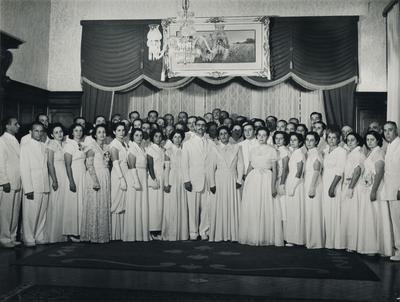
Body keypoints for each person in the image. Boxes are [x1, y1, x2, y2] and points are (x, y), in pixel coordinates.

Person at [239, 127, 283, 246]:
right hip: (253, 179)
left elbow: (275, 170)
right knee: (254, 206)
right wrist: (245, 180)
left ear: (268, 136)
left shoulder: (272, 150)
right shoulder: (252, 150)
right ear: (256, 136)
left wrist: (273, 186)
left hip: (266, 179)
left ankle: (265, 235)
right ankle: (253, 234)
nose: (261, 137)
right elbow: (250, 166)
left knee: (265, 205)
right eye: (259, 135)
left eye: (264, 135)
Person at [361, 130, 393, 256]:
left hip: (376, 187)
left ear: (378, 140)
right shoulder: (371, 152)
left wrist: (374, 190)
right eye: (368, 139)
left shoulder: (379, 152)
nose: (369, 142)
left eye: (372, 139)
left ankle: (377, 247)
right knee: (371, 216)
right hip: (369, 186)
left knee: (376, 215)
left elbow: (379, 173)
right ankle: (371, 246)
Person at [209, 126, 244, 242]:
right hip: (219, 179)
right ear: (218, 136)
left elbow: (240, 165)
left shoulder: (237, 148)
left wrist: (239, 180)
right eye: (221, 134)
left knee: (233, 205)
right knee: (220, 205)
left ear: (228, 135)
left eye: (225, 133)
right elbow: (211, 168)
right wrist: (212, 184)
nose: (223, 136)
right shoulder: (214, 148)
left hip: (233, 179)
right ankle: (220, 234)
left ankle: (233, 235)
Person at [182, 117, 214, 240]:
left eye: (203, 125)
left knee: (206, 207)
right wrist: (186, 180)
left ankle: (204, 231)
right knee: (193, 207)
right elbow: (184, 163)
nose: (200, 127)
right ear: (194, 127)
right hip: (193, 180)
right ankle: (193, 232)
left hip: (207, 180)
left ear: (205, 127)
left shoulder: (210, 142)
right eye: (198, 125)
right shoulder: (188, 143)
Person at [20, 122, 50, 246]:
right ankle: (28, 237)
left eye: (41, 131)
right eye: (36, 131)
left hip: (44, 184)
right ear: (31, 132)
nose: (39, 133)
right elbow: (24, 168)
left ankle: (39, 235)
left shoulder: (43, 146)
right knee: (30, 214)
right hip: (32, 185)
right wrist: (28, 188)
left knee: (41, 214)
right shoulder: (25, 147)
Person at [81, 124, 111, 243]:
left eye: (104, 132)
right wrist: (95, 181)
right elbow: (89, 165)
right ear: (95, 134)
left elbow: (107, 162)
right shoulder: (91, 147)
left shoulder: (106, 147)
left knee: (103, 203)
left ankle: (102, 234)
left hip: (105, 175)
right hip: (95, 176)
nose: (102, 134)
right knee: (94, 203)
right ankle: (92, 234)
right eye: (99, 132)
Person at [162, 130, 189, 241]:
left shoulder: (184, 149)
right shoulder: (168, 151)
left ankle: (182, 233)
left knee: (182, 203)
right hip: (172, 176)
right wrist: (166, 183)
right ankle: (171, 233)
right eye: (175, 137)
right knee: (172, 204)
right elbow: (167, 169)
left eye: (179, 137)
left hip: (182, 177)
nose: (177, 139)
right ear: (171, 138)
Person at [340, 133, 365, 252]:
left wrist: (350, 188)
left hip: (354, 186)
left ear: (358, 141)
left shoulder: (358, 154)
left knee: (353, 216)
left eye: (352, 140)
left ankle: (353, 245)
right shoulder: (351, 153)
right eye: (348, 140)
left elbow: (357, 171)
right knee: (348, 215)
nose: (349, 142)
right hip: (348, 185)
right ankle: (349, 243)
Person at [322, 129, 346, 249]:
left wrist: (332, 187)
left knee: (334, 211)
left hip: (334, 183)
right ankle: (329, 241)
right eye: (329, 137)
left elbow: (340, 170)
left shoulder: (341, 151)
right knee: (327, 212)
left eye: (334, 137)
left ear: (339, 139)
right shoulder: (326, 151)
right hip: (325, 181)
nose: (331, 140)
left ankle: (337, 242)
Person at [124, 128, 150, 241]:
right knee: (134, 204)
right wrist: (136, 181)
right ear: (132, 137)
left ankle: (141, 234)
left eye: (140, 135)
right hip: (135, 177)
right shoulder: (132, 148)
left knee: (142, 204)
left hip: (143, 176)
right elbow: (131, 165)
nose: (139, 137)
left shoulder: (142, 148)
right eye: (136, 135)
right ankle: (132, 235)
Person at [0, 117, 22, 248]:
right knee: (5, 212)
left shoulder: (15, 141)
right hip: (8, 182)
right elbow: (1, 163)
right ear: (7, 126)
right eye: (15, 124)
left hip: (17, 181)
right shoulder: (2, 141)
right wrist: (4, 181)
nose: (18, 126)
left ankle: (12, 236)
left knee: (15, 212)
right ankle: (4, 238)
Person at [45, 123, 68, 243]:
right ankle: (54, 235)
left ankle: (63, 234)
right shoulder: (51, 144)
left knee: (64, 204)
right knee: (55, 203)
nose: (59, 134)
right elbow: (49, 163)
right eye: (56, 132)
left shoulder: (65, 144)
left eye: (61, 131)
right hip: (56, 175)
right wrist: (54, 179)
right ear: (51, 134)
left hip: (65, 176)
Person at [63, 123, 86, 242]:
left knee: (81, 203)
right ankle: (71, 232)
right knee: (73, 204)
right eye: (76, 130)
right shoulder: (69, 145)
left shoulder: (82, 144)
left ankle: (80, 231)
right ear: (72, 132)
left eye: (80, 130)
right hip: (74, 175)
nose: (78, 132)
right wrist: (71, 181)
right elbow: (67, 165)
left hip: (82, 175)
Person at [382, 121, 400, 261]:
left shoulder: (398, 146)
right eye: (385, 130)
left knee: (398, 221)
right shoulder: (389, 146)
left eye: (390, 130)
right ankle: (396, 248)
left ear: (396, 130)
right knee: (394, 221)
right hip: (390, 189)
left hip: (397, 190)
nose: (388, 133)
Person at [304, 132, 324, 249]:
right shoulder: (309, 153)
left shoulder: (316, 153)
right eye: (307, 140)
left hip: (314, 184)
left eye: (312, 140)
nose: (309, 142)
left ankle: (316, 242)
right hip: (309, 182)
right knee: (310, 212)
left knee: (314, 212)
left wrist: (312, 187)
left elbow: (316, 171)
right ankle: (311, 240)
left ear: (316, 142)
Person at [285, 133, 306, 246]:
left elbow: (299, 172)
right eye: (291, 140)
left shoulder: (299, 154)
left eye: (295, 140)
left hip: (296, 185)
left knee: (296, 211)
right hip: (291, 182)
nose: (292, 142)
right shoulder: (294, 153)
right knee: (292, 211)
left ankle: (297, 239)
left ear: (300, 142)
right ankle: (292, 238)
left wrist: (293, 187)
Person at [110, 122, 129, 240]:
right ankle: (114, 233)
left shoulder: (125, 144)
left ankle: (122, 232)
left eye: (123, 130)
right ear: (114, 132)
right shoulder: (114, 145)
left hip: (126, 172)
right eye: (119, 130)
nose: (121, 133)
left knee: (124, 202)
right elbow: (115, 163)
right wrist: (121, 179)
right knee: (117, 200)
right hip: (118, 174)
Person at [147, 129, 166, 240]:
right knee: (154, 204)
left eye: (159, 136)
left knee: (161, 204)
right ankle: (153, 230)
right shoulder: (150, 149)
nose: (158, 138)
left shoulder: (162, 149)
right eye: (156, 136)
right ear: (152, 137)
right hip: (155, 178)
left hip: (162, 177)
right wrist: (154, 179)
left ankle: (159, 228)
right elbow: (150, 165)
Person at [273, 131, 290, 240]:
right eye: (276, 138)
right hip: (277, 179)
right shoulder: (277, 150)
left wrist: (282, 183)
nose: (278, 141)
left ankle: (285, 235)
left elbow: (285, 169)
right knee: (279, 207)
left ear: (285, 140)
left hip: (282, 180)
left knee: (283, 207)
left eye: (281, 139)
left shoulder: (284, 150)